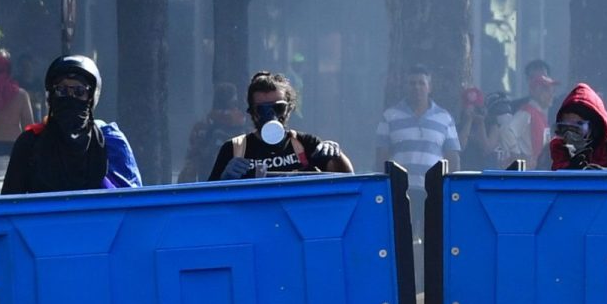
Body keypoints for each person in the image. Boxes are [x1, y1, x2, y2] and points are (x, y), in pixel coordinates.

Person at [1, 55, 141, 194]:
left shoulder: (111, 143)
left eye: (79, 92)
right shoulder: (30, 143)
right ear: (51, 96)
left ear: (91, 97)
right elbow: (9, 205)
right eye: (61, 91)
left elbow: (133, 204)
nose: (70, 98)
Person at [208, 70, 354, 181]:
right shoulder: (234, 148)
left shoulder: (307, 144)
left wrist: (337, 156)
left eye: (278, 107)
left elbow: (347, 183)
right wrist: (224, 180)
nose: (270, 115)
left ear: (290, 108)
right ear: (251, 112)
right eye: (262, 109)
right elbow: (209, 202)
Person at [375, 65, 462, 176]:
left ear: (429, 87)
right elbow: (381, 157)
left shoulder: (445, 118)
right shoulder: (389, 117)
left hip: (435, 189)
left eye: (421, 83)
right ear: (405, 87)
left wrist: (451, 187)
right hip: (398, 189)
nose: (416, 87)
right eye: (412, 83)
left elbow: (452, 158)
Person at [181, 82, 249, 182]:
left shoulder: (203, 125)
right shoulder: (242, 122)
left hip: (208, 179)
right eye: (234, 99)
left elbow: (193, 153)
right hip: (236, 178)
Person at [457, 87, 492, 170]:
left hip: (484, 174)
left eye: (477, 108)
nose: (474, 111)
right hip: (464, 172)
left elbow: (486, 149)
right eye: (470, 108)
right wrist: (469, 120)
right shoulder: (457, 127)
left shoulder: (491, 126)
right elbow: (460, 147)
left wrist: (481, 124)